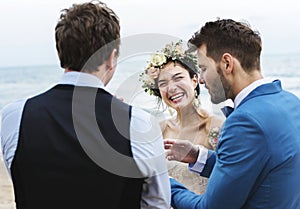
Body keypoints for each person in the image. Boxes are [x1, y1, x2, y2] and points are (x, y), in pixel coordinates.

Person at [0, 1, 170, 209]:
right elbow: (157, 203)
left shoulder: (14, 117)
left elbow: (21, 177)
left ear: (61, 53)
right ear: (111, 57)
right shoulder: (139, 123)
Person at [164, 19, 300, 208]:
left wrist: (164, 183)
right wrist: (198, 156)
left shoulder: (245, 122)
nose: (201, 80)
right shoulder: (290, 102)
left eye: (203, 68)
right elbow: (252, 169)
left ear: (227, 63)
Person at [140, 40, 223, 194]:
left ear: (194, 80)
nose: (171, 88)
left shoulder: (218, 127)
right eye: (163, 83)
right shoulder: (158, 130)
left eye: (178, 78)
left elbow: (232, 177)